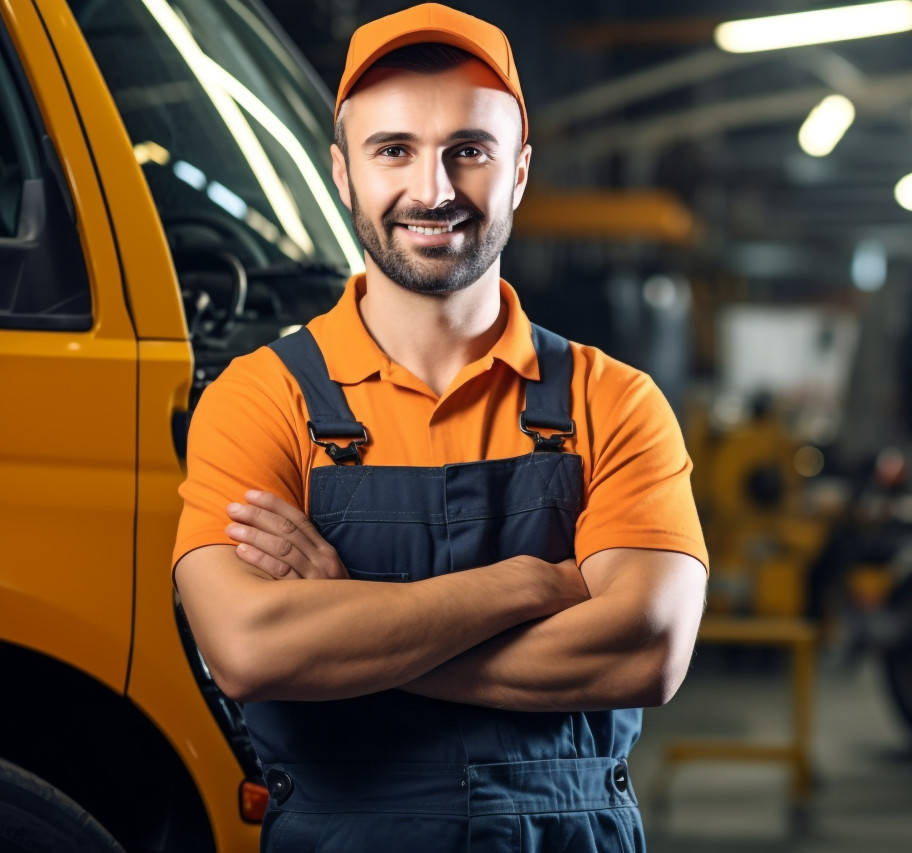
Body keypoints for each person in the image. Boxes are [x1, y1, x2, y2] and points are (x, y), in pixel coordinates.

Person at [170, 4, 709, 851]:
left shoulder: (615, 401)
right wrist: (528, 586)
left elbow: (647, 653)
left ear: (521, 171)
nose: (434, 189)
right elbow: (247, 650)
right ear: (342, 174)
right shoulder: (261, 399)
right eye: (395, 151)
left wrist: (350, 626)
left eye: (470, 150)